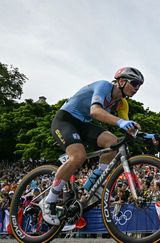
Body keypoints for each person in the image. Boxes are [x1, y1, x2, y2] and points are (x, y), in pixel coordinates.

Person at [39, 67, 146, 225]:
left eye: (139, 86)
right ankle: (49, 201)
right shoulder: (104, 86)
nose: (137, 88)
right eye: (135, 83)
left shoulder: (122, 104)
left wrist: (149, 136)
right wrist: (121, 122)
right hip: (66, 120)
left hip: (83, 125)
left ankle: (94, 183)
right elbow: (95, 111)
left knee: (114, 142)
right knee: (79, 156)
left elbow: (128, 129)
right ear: (122, 82)